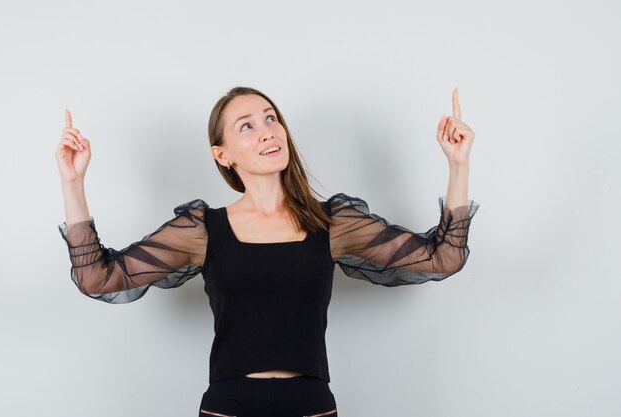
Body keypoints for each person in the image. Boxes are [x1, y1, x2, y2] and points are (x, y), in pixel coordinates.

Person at [55, 86, 480, 417]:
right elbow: (99, 278)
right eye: (247, 126)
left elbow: (443, 257)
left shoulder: (331, 222)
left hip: (310, 402)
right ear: (222, 155)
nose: (267, 131)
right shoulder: (202, 230)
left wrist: (458, 165)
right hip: (230, 404)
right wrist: (73, 184)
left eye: (271, 118)